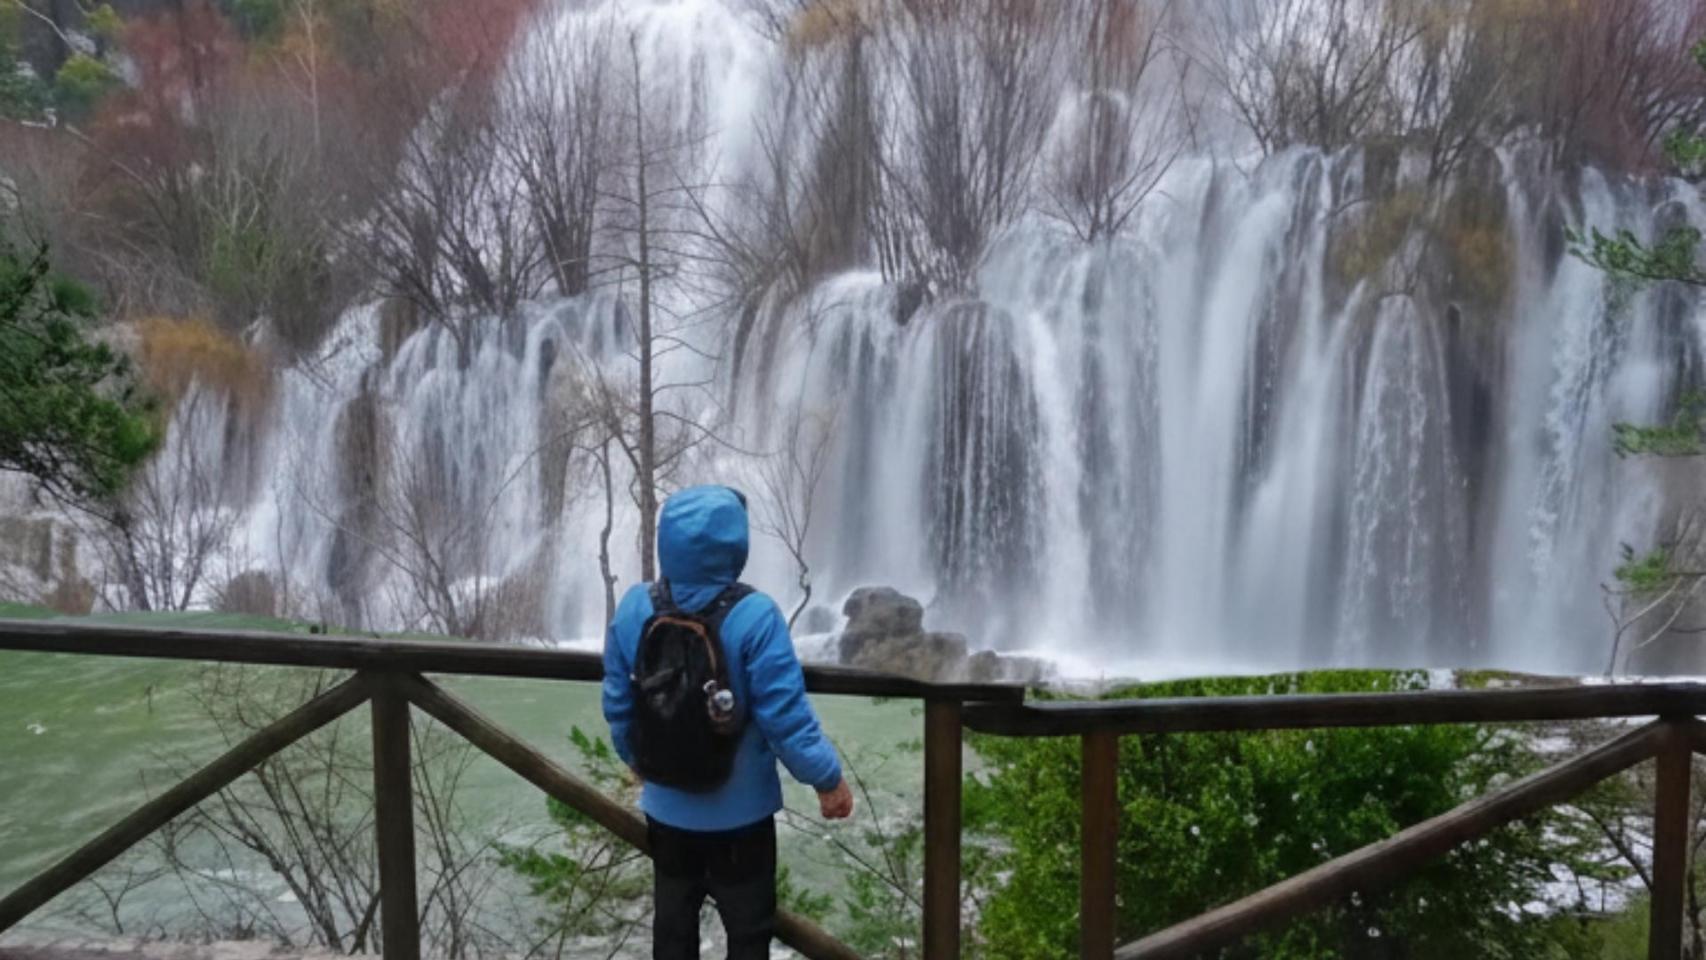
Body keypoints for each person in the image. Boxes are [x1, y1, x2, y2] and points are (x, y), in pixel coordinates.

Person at [603, 484, 854, 959]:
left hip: (667, 809)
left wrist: (637, 759)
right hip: (741, 818)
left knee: (672, 933)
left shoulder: (636, 606)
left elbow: (618, 702)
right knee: (748, 934)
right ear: (736, 545)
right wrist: (827, 779)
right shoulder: (755, 616)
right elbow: (786, 719)